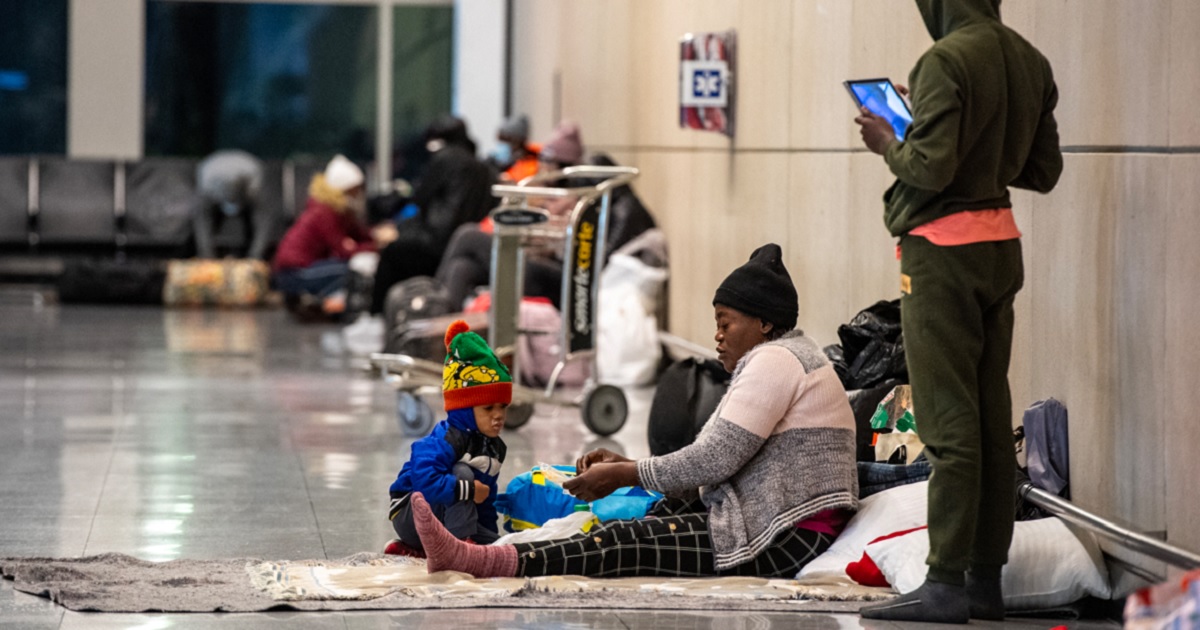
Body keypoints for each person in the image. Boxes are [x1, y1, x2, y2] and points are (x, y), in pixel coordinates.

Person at [402, 244, 859, 579]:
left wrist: (625, 474)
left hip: (787, 536)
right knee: (658, 511)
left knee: (623, 542)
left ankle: (481, 561)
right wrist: (626, 467)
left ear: (763, 323)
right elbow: (714, 458)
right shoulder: (785, 356)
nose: (717, 336)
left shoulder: (777, 360)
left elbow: (713, 459)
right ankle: (490, 550)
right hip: (784, 521)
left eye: (725, 324)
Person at [852, 0, 1062, 623]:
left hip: (942, 256)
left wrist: (891, 139)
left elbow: (929, 165)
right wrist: (973, 145)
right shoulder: (1030, 61)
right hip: (1000, 250)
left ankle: (943, 582)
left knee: (948, 425)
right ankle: (984, 584)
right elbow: (1042, 170)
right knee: (992, 421)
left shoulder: (944, 59)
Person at [383, 319, 511, 557]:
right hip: (409, 514)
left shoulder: (495, 448)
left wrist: (489, 539)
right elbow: (424, 483)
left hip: (448, 517)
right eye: (488, 408)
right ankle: (458, 548)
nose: (498, 416)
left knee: (502, 547)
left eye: (503, 407)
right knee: (462, 471)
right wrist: (469, 490)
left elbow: (486, 499)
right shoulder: (446, 437)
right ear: (464, 408)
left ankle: (425, 549)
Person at [369, 116, 497, 315]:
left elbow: (421, 198)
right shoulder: (482, 167)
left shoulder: (445, 158)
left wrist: (398, 227)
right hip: (457, 244)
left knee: (391, 253)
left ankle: (377, 317)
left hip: (437, 242)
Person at [272, 154, 378, 316]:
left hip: (297, 268)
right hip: (296, 272)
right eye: (355, 190)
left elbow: (358, 235)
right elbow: (344, 250)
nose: (359, 195)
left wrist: (371, 238)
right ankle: (322, 302)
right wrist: (376, 247)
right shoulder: (325, 213)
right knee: (352, 272)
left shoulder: (334, 210)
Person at [191, 149, 274, 260]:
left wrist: (255, 257)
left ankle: (255, 256)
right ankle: (207, 257)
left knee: (261, 216)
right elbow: (202, 220)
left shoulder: (253, 181)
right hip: (212, 171)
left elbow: (263, 220)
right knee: (203, 217)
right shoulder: (207, 184)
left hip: (249, 173)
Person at [488, 114, 541, 183]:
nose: (502, 145)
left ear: (519, 141)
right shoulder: (492, 162)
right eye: (501, 139)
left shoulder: (535, 163)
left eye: (507, 140)